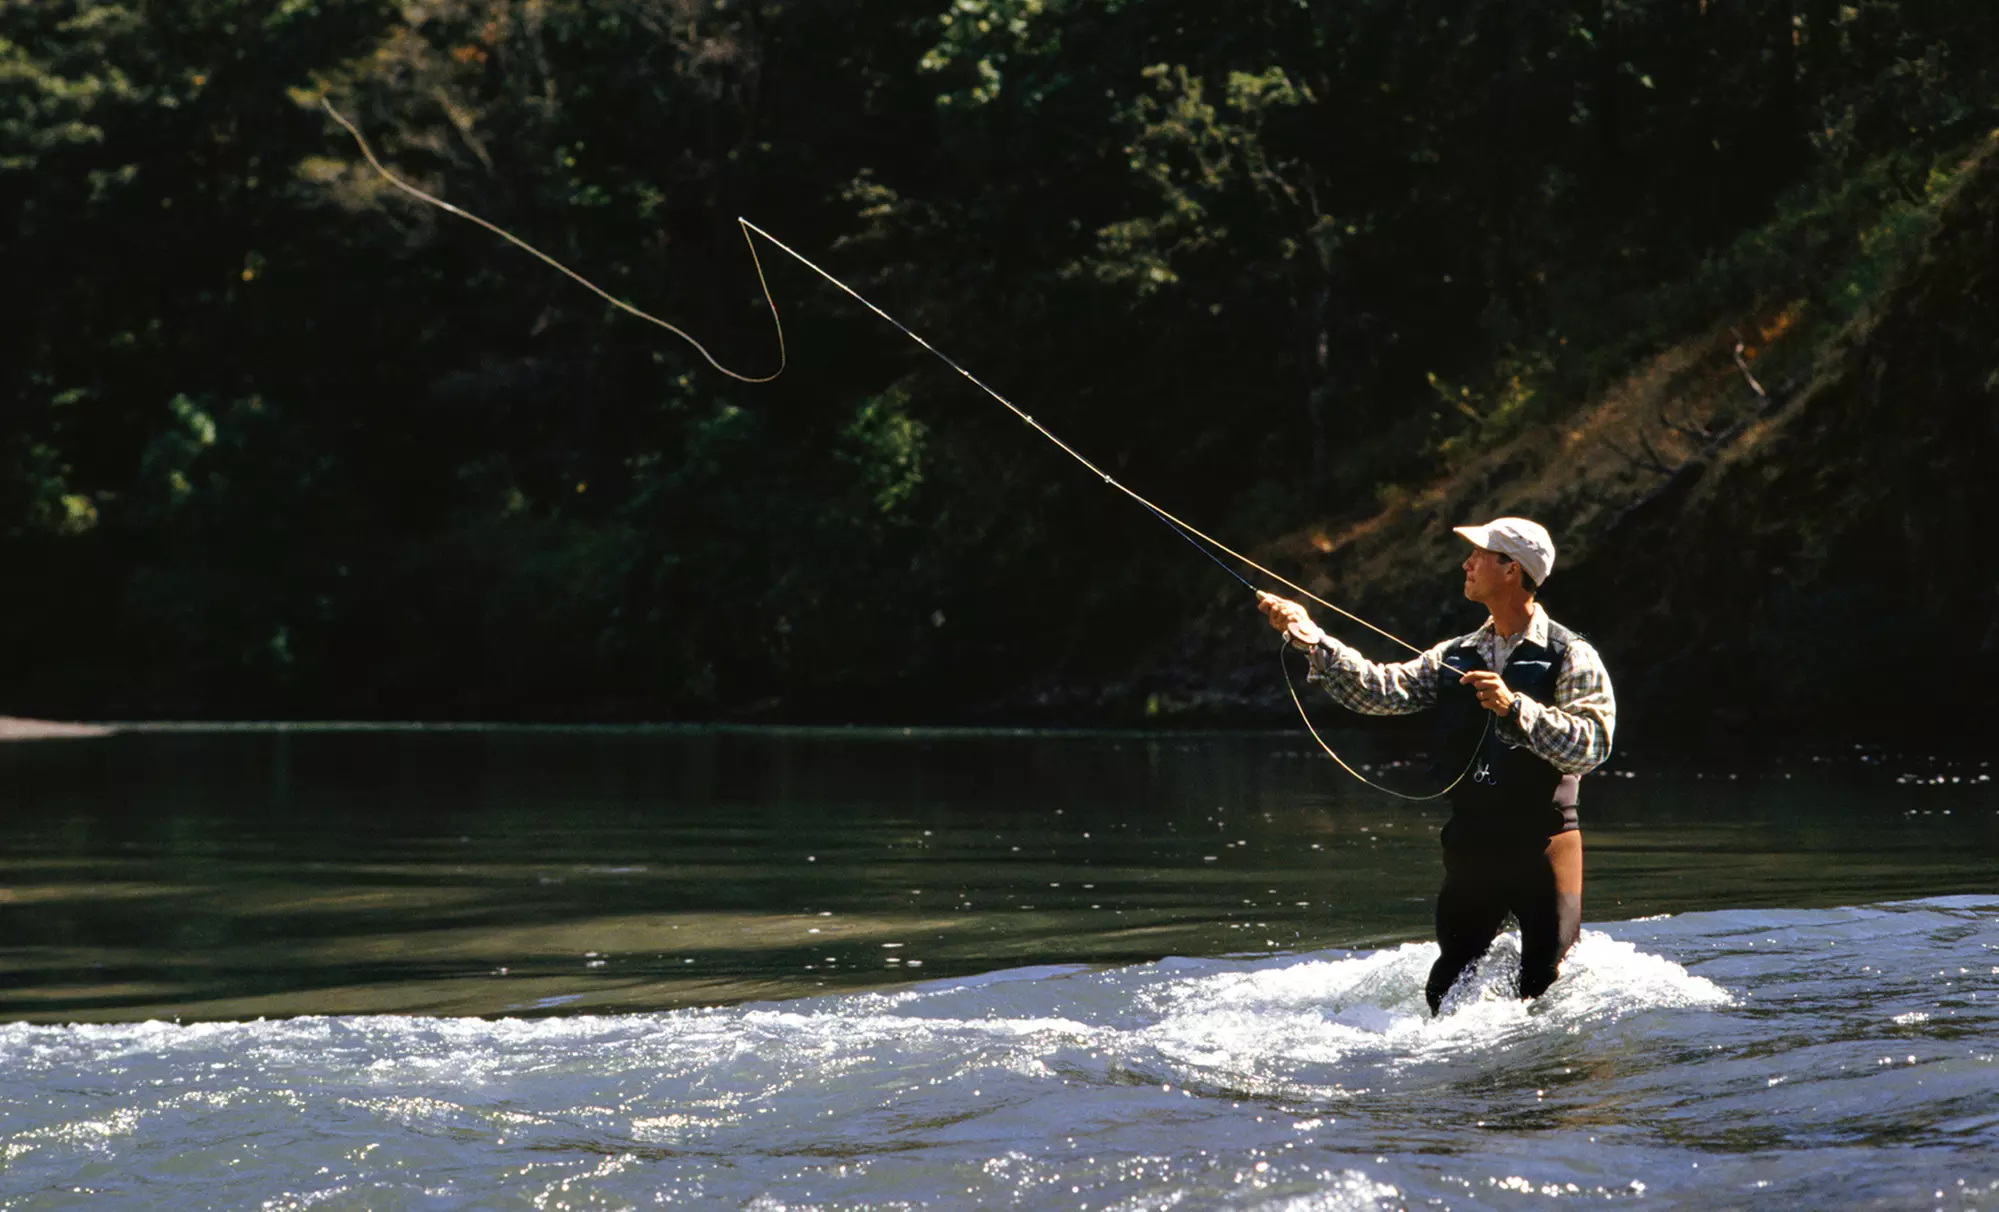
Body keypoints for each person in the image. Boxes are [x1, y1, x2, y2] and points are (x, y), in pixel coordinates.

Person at [1256, 517, 1616, 1013]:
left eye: (1479, 556)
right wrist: (1312, 640)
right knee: (1443, 994)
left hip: (1544, 844)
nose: (1465, 564)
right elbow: (1380, 690)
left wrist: (1516, 708)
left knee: (1545, 985)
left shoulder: (1572, 655)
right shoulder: (1456, 653)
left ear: (1511, 569)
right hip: (1472, 844)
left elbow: (1593, 745)